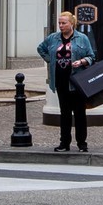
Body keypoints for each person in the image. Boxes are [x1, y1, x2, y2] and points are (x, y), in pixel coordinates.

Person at [37, 10, 95, 153]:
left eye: (64, 23)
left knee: (80, 113)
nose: (61, 26)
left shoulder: (82, 38)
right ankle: (64, 143)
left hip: (77, 81)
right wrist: (51, 61)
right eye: (59, 23)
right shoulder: (53, 38)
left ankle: (82, 143)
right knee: (65, 113)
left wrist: (81, 62)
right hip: (61, 81)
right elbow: (41, 48)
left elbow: (91, 56)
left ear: (71, 24)